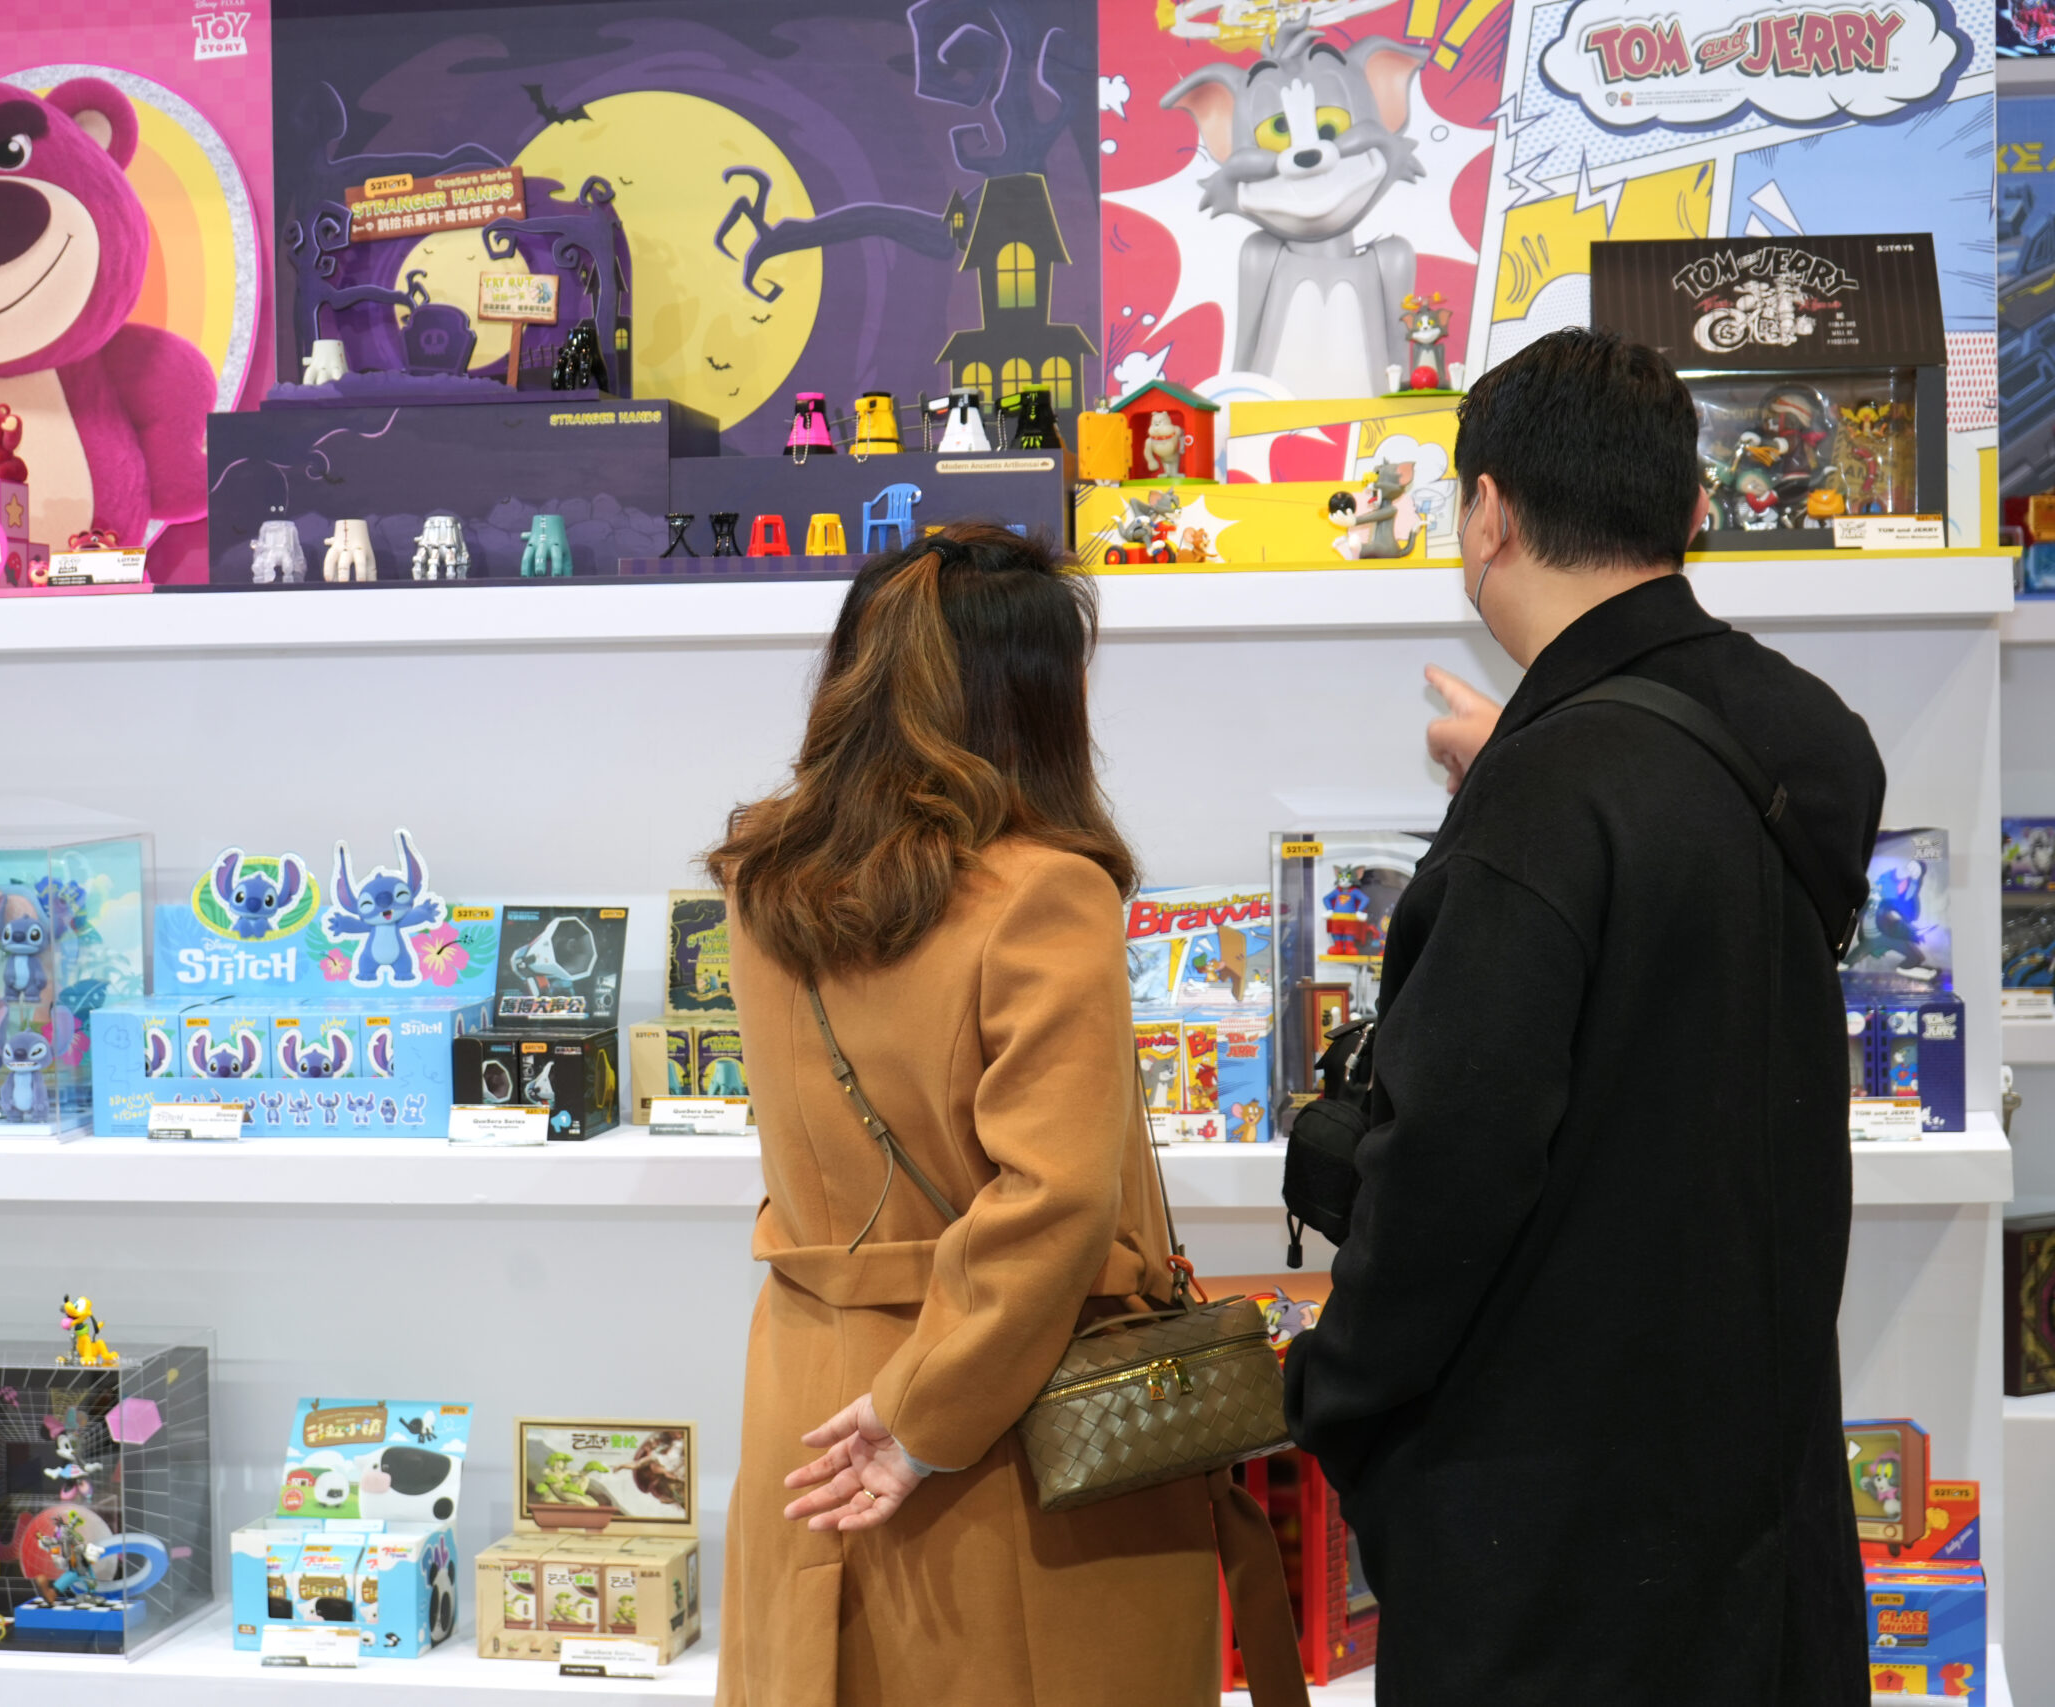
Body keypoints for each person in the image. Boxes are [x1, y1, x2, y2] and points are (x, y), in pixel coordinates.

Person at [1283, 329, 1885, 1703]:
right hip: (1762, 1519)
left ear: (1487, 513)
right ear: (1690, 512)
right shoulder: (1806, 741)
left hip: (1553, 1557)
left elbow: (1448, 1164)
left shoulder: (1552, 800)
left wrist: (1333, 1391)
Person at [706, 525, 1303, 1707]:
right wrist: (926, 1418)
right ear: (1035, 696)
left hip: (812, 1402)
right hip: (1005, 1421)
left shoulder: (763, 884)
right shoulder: (1045, 894)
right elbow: (1056, 1196)